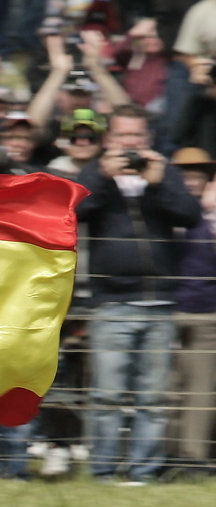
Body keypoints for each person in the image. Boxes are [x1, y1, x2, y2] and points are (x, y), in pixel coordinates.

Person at [74, 105, 204, 484]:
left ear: (148, 139)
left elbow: (190, 215)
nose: (130, 143)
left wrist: (158, 182)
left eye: (137, 136)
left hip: (160, 303)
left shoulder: (164, 173)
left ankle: (143, 474)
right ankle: (103, 472)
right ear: (108, 140)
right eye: (122, 136)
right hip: (112, 302)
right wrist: (102, 176)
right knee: (107, 396)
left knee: (153, 398)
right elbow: (75, 210)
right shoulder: (95, 173)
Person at [170, 145, 216, 474]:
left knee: (201, 391)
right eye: (185, 174)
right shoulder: (164, 210)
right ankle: (165, 455)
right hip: (165, 310)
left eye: (198, 174)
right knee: (167, 389)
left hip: (206, 314)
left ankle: (194, 459)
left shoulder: (212, 216)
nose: (191, 180)